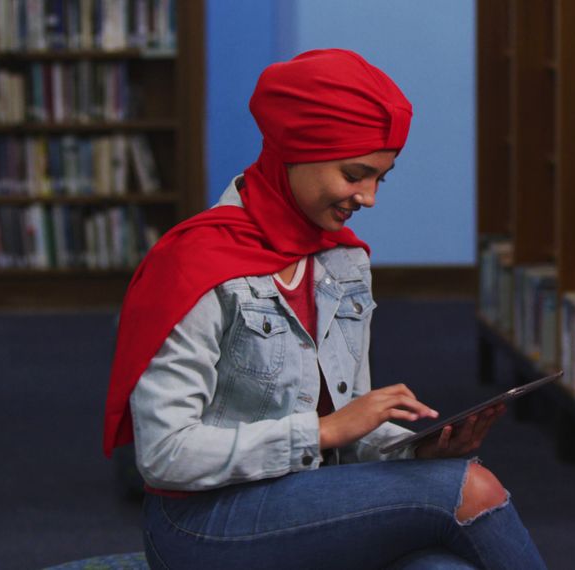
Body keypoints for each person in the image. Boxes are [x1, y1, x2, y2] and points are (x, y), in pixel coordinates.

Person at [102, 49, 546, 569]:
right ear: (297, 150)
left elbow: (346, 419)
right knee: (471, 491)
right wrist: (321, 433)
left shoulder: (345, 262)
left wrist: (413, 452)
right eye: (356, 174)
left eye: (382, 177)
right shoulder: (194, 264)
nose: (370, 197)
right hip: (201, 525)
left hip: (314, 500)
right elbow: (164, 456)